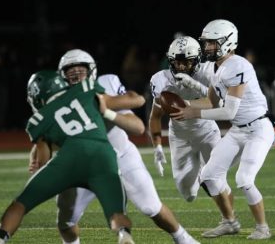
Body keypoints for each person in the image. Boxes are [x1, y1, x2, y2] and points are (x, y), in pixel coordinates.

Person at [50, 49, 200, 244]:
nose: (76, 75)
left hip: (121, 156)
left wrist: (105, 109)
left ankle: (183, 239)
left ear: (92, 71)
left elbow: (137, 124)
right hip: (83, 167)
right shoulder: (58, 101)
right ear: (62, 76)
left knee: (152, 207)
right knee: (66, 221)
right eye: (70, 71)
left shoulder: (106, 84)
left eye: (81, 69)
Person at [0, 70, 137, 244]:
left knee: (20, 204)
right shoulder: (86, 88)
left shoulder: (37, 121)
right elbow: (133, 100)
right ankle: (123, 235)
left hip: (69, 159)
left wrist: (42, 171)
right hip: (102, 155)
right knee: (117, 215)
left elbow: (43, 160)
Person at [171, 19, 275, 240]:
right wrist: (186, 103)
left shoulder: (239, 65)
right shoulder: (213, 67)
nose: (207, 47)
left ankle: (262, 228)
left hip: (258, 128)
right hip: (239, 130)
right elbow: (211, 102)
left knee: (244, 179)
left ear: (228, 42)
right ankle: (229, 222)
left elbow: (228, 112)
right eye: (206, 43)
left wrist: (194, 113)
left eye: (211, 43)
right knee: (208, 175)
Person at [149, 36, 226, 202]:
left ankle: (229, 218)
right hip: (180, 135)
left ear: (197, 59)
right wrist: (157, 147)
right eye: (177, 62)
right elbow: (155, 116)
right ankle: (199, 172)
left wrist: (194, 85)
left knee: (217, 180)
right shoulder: (161, 80)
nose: (182, 67)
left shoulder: (208, 72)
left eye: (187, 62)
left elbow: (219, 102)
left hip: (206, 129)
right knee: (189, 194)